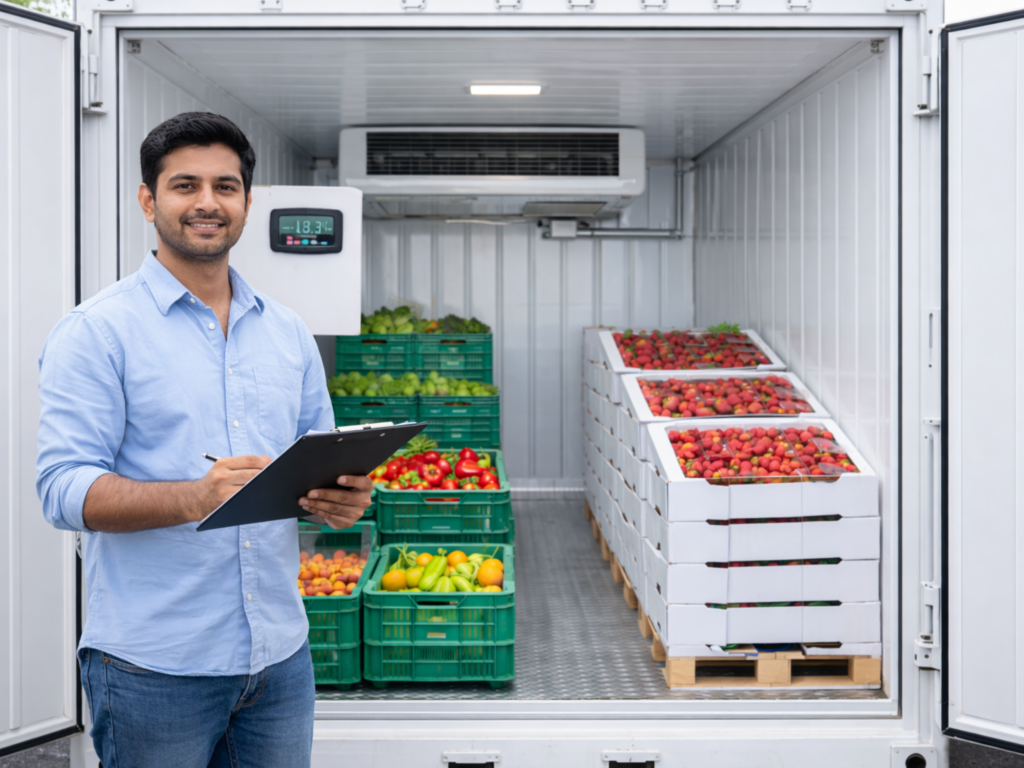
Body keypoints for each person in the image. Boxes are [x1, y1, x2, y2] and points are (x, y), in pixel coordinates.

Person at [35, 111, 371, 767]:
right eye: (185, 185)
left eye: (225, 186)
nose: (207, 203)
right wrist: (194, 498)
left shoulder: (287, 332)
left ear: (247, 202)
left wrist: (342, 500)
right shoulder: (97, 332)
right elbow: (61, 488)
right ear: (148, 199)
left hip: (278, 659)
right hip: (153, 667)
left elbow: (317, 462)